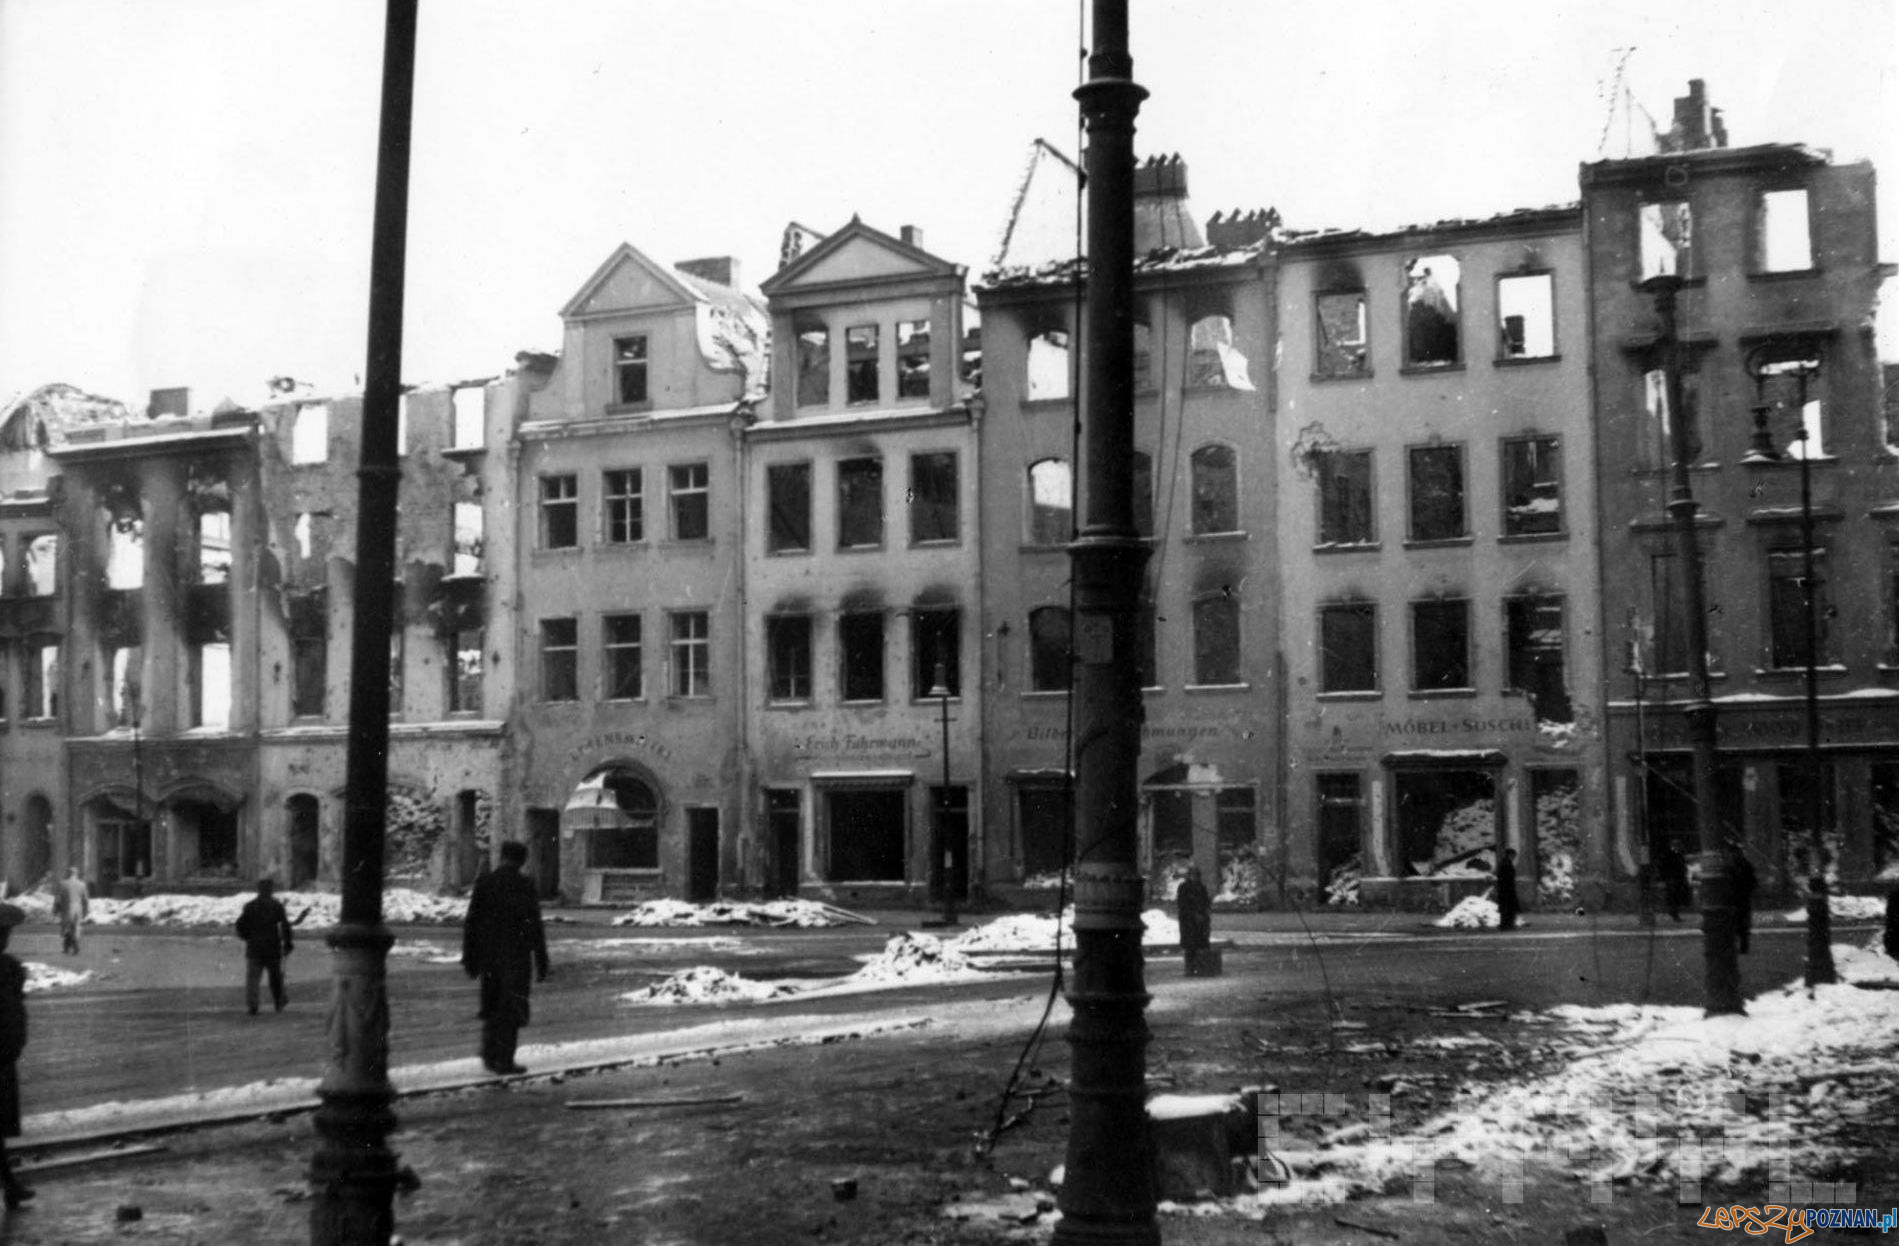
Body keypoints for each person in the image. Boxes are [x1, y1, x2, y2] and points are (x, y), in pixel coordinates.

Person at [461, 841, 549, 1075]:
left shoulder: (485, 882)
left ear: (502, 857)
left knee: (491, 1004)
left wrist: (469, 958)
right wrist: (541, 961)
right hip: (516, 956)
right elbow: (535, 926)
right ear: (522, 860)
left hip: (488, 956)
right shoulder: (524, 885)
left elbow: (471, 922)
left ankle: (490, 1052)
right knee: (511, 1008)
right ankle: (504, 1059)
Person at [0, 902, 34, 1208]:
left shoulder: (9, 967)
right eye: (4, 932)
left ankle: (10, 1184)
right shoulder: (7, 967)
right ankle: (9, 1184)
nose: (7, 937)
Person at [234, 878, 294, 1015]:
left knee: (253, 979)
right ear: (271, 890)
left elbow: (240, 925)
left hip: (254, 947)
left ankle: (253, 1005)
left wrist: (247, 937)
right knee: (275, 978)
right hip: (272, 947)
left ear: (259, 890)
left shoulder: (250, 906)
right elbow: (285, 926)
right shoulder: (277, 906)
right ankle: (278, 1003)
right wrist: (288, 944)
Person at [1175, 864, 1212, 957]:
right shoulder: (1184, 887)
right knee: (1190, 947)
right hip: (1189, 922)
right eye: (1193, 875)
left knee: (1202, 945)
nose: (1194, 877)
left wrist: (1205, 914)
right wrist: (1193, 914)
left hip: (1201, 922)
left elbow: (1206, 901)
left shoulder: (1201, 887)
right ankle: (1191, 967)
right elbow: (1183, 904)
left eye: (1196, 875)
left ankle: (1201, 965)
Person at [1729, 841, 1758, 954]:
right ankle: (1743, 947)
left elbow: (1751, 881)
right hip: (1741, 898)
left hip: (1738, 898)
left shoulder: (1737, 866)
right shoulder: (1743, 865)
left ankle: (1741, 946)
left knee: (1738, 924)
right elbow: (1752, 881)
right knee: (1741, 924)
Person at [53, 867, 89, 956]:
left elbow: (57, 899)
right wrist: (86, 910)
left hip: (66, 908)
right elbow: (85, 899)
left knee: (67, 928)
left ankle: (71, 946)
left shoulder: (62, 884)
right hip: (78, 908)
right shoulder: (82, 884)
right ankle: (70, 946)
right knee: (76, 927)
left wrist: (55, 909)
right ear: (76, 874)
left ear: (67, 873)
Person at [1657, 839, 1691, 922]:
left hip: (1677, 878)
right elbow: (1664, 866)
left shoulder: (1677, 854)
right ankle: (1674, 913)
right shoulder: (1670, 854)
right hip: (1672, 878)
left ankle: (1674, 912)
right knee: (1673, 897)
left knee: (1675, 897)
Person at [1495, 847, 1520, 931]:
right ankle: (1507, 925)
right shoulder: (1506, 864)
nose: (1514, 857)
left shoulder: (1504, 863)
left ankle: (1506, 925)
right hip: (1507, 889)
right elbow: (1507, 877)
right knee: (1509, 908)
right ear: (1510, 855)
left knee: (1506, 909)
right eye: (1513, 855)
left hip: (1505, 889)